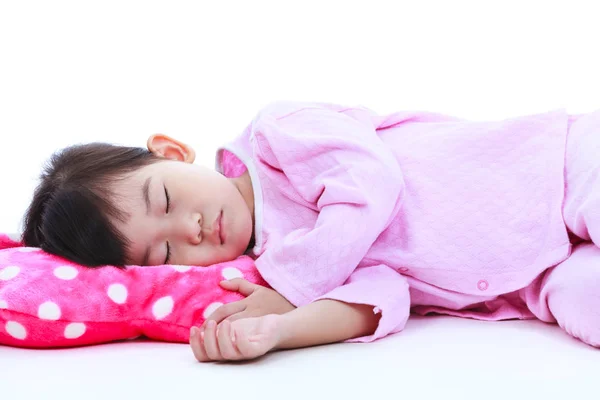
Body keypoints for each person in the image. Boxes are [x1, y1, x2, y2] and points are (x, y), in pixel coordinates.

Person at [22, 101, 600, 362]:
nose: (192, 228)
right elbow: (382, 297)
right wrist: (279, 328)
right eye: (167, 248)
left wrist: (293, 286)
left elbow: (369, 181)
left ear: (171, 151)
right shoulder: (277, 264)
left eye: (167, 198)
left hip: (555, 167)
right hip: (534, 280)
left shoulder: (279, 136)